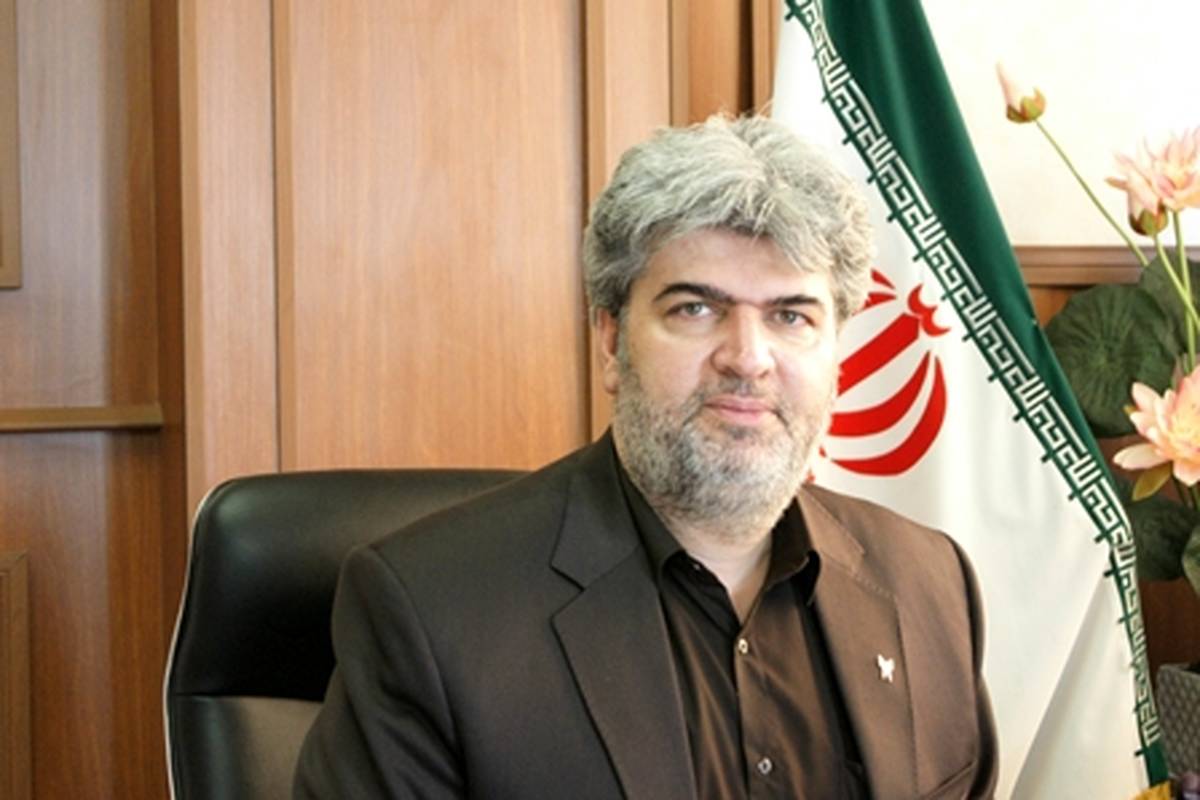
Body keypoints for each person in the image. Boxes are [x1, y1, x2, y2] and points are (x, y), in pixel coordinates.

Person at [293, 115, 998, 799]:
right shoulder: (430, 608)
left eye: (791, 316)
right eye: (696, 309)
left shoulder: (929, 585)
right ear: (611, 340)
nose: (748, 358)